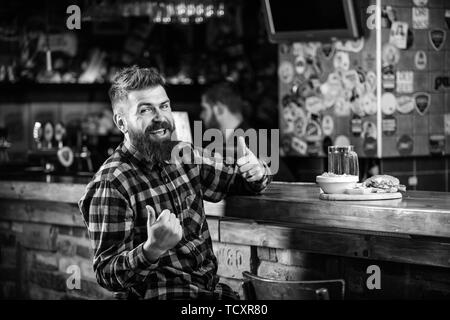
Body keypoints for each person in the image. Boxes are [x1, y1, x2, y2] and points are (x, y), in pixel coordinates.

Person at [78, 66, 272, 300]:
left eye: (164, 106)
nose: (160, 117)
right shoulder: (111, 182)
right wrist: (152, 250)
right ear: (121, 123)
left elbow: (239, 179)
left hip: (209, 293)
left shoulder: (184, 155)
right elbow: (106, 273)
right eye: (146, 110)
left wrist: (257, 171)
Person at [200, 81, 295, 182]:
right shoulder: (245, 137)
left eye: (204, 109)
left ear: (219, 109)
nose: (201, 115)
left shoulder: (248, 142)